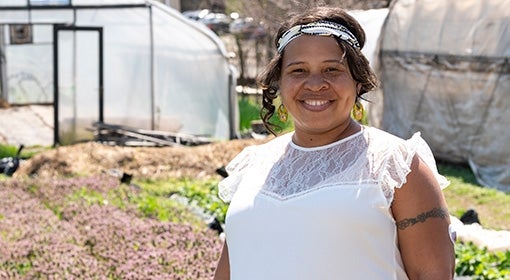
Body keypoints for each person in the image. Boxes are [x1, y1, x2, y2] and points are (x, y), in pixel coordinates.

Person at [214, 6, 455, 280]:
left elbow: (433, 274)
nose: (315, 84)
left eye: (332, 69)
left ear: (358, 82)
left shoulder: (397, 166)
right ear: (278, 82)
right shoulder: (252, 166)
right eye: (298, 70)